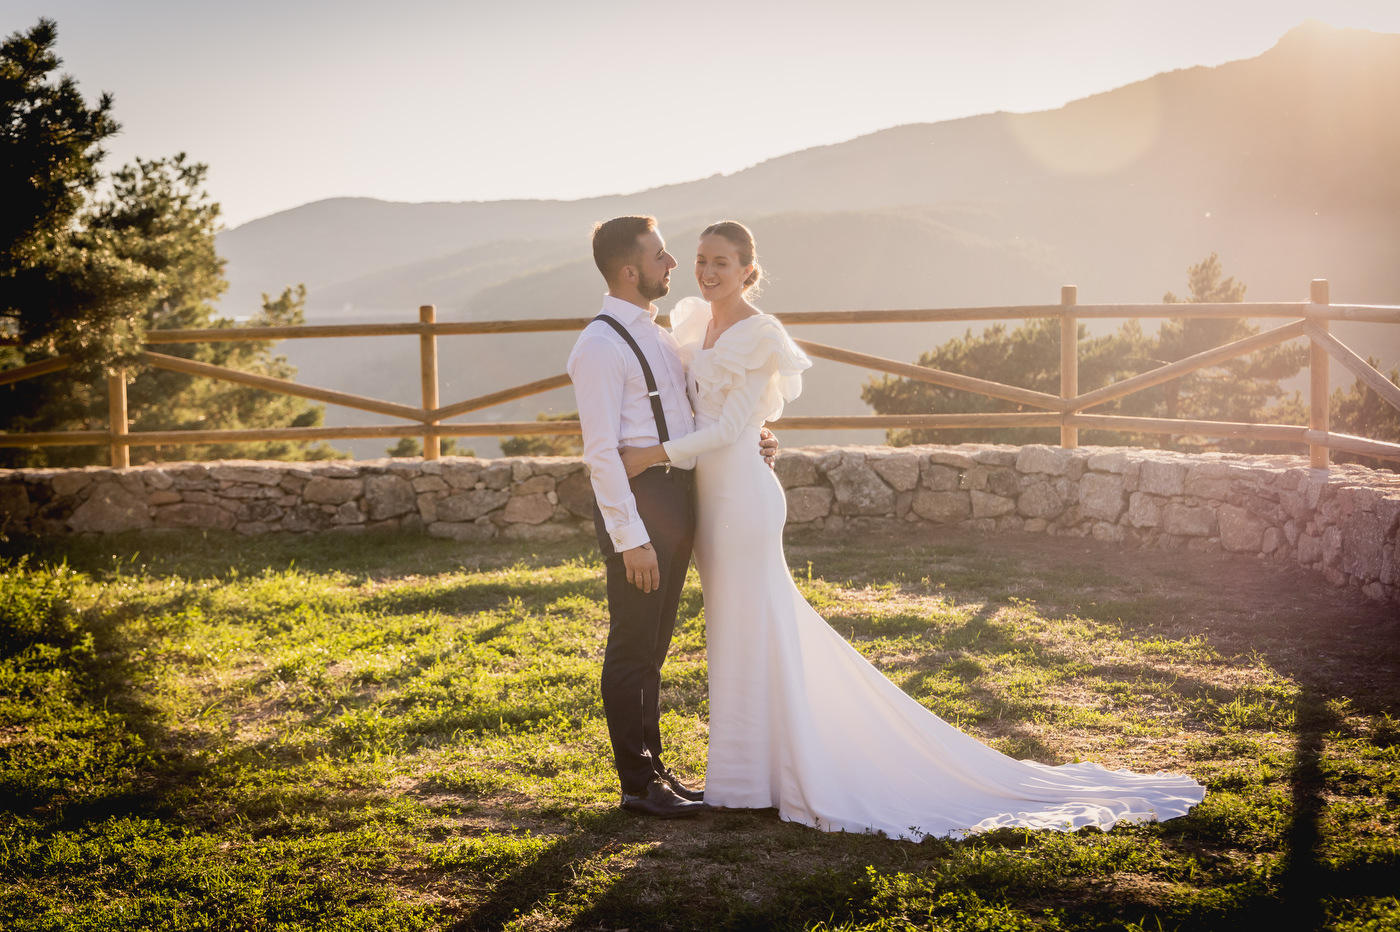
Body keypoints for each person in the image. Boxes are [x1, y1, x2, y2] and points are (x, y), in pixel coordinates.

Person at [619, 220, 1206, 839]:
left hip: (743, 499)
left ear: (748, 271)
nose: (708, 272)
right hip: (711, 501)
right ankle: (744, 777)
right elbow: (691, 406)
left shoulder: (761, 334)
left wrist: (650, 455)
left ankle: (762, 778)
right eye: (702, 260)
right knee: (734, 630)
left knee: (757, 623)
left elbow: (727, 428)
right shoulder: (692, 322)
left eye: (722, 263)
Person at [567, 215, 777, 820]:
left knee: (655, 648)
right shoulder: (600, 346)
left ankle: (655, 770)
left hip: (679, 498)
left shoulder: (659, 337)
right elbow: (602, 455)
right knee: (633, 645)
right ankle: (636, 784)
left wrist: (753, 437)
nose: (675, 265)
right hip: (641, 509)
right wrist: (629, 537)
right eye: (662, 256)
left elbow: (693, 414)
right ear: (631, 270)